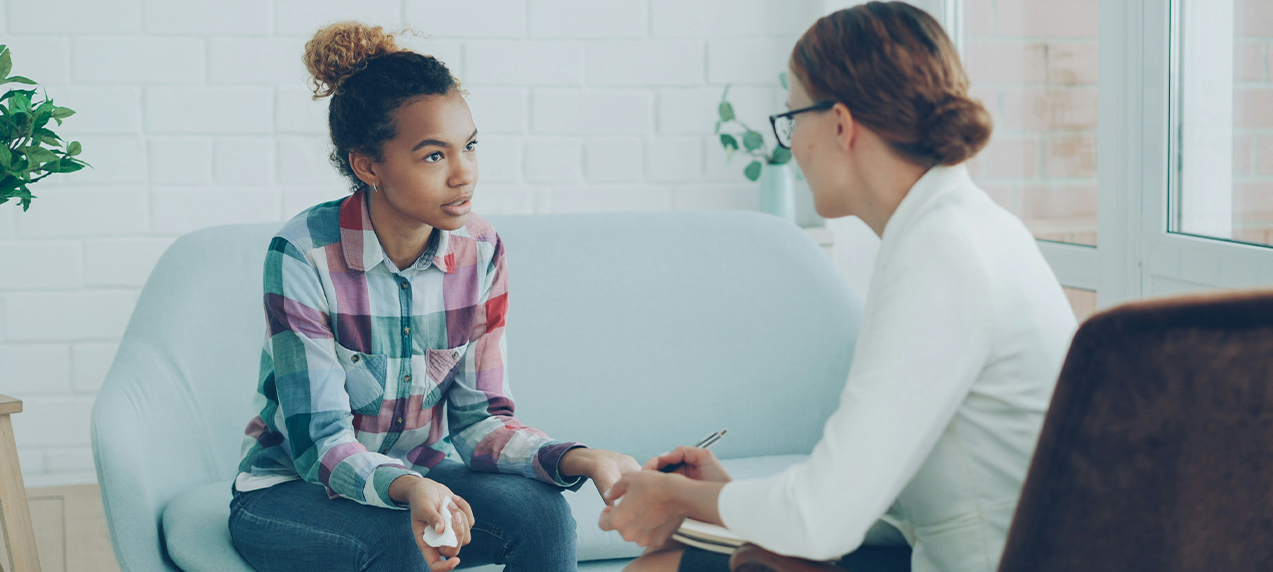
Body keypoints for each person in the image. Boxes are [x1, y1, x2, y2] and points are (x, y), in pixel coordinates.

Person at [598, 3, 1078, 572]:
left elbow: (822, 521)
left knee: (654, 570)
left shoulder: (941, 254)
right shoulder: (962, 228)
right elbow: (880, 492)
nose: (793, 144)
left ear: (841, 124)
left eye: (792, 117)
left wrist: (679, 496)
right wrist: (723, 499)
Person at [227, 22, 639, 572]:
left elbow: (480, 420)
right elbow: (319, 443)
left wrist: (582, 459)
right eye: (433, 156)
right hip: (288, 492)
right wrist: (409, 489)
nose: (464, 174)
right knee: (399, 541)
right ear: (368, 165)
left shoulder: (482, 250)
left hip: (424, 477)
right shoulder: (302, 254)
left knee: (543, 517)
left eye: (468, 146)